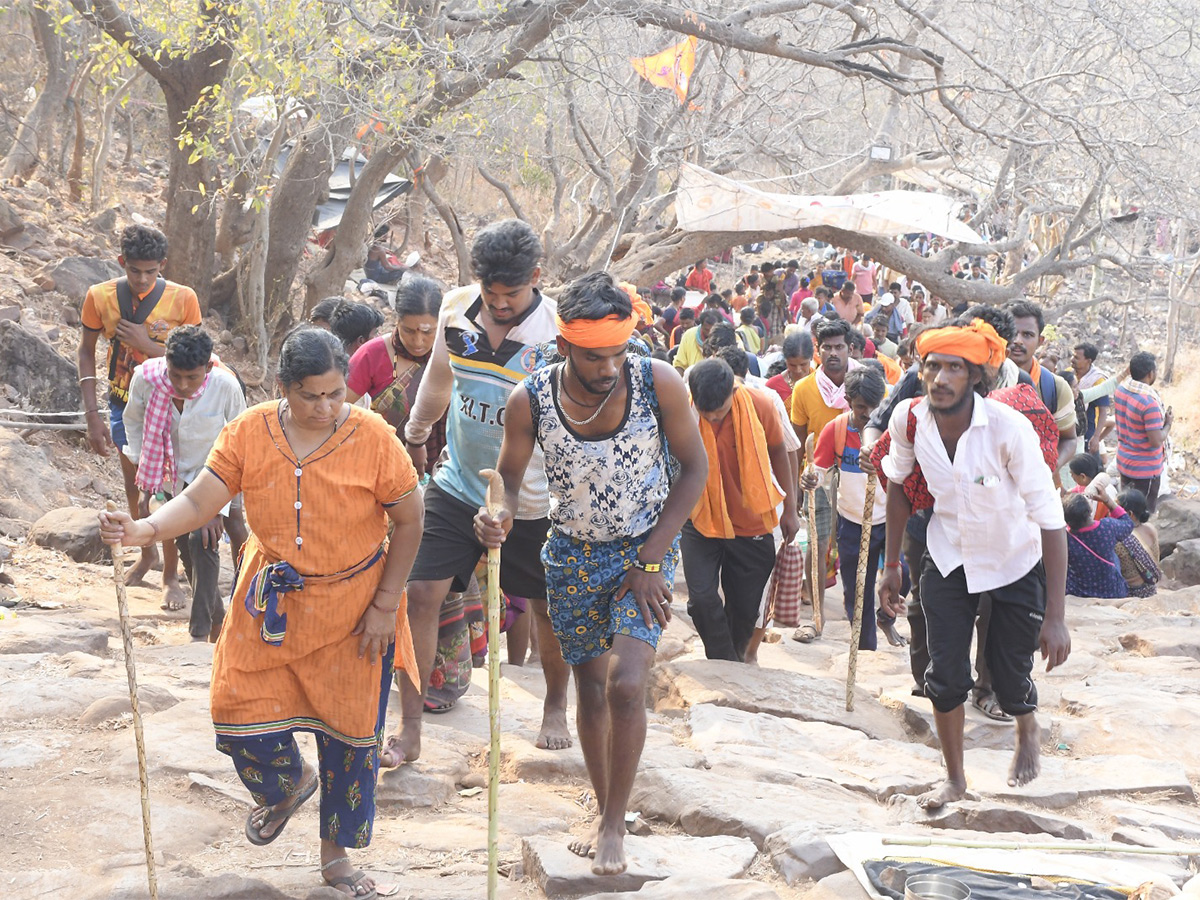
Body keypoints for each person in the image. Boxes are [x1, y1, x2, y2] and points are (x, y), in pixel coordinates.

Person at [99, 326, 424, 898]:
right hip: (270, 601)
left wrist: (385, 604)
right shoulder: (249, 431)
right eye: (310, 395)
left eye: (335, 394)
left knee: (349, 735)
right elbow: (202, 499)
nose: (325, 407)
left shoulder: (373, 436)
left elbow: (410, 519)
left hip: (355, 609)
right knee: (234, 704)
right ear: (282, 387)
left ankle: (336, 858)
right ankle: (285, 785)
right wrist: (144, 529)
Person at [475, 272, 707, 877]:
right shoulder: (530, 400)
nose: (608, 368)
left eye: (617, 353)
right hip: (572, 554)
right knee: (590, 688)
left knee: (628, 683)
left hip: (644, 552)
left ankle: (613, 824)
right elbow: (506, 484)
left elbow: (693, 470)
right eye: (593, 356)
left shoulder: (659, 382)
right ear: (563, 346)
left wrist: (653, 559)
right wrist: (493, 519)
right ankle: (605, 807)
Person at [397, 219, 570, 765]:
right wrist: (418, 433)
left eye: (510, 294)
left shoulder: (558, 332)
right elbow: (439, 380)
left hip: (536, 497)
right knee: (419, 592)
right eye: (489, 293)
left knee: (546, 607)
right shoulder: (455, 311)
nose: (497, 304)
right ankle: (409, 727)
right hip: (458, 482)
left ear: (536, 278)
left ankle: (555, 706)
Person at [878, 320, 1070, 810]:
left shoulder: (1010, 431)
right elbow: (898, 487)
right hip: (947, 557)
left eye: (954, 369)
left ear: (976, 378)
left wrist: (1056, 617)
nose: (940, 378)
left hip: (1015, 558)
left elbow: (1050, 520)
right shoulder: (908, 419)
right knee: (945, 676)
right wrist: (893, 563)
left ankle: (1027, 724)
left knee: (1008, 677)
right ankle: (955, 779)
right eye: (932, 367)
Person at [77, 223, 202, 607]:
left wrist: (148, 345)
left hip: (170, 402)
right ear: (122, 263)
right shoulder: (100, 297)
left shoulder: (183, 299)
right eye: (135, 270)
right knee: (135, 483)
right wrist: (92, 414)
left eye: (151, 270)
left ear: (162, 265)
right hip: (121, 401)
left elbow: (198, 358)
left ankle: (170, 574)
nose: (143, 278)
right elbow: (86, 350)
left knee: (165, 487)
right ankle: (146, 550)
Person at [122, 326, 247, 640]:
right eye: (175, 376)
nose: (182, 385)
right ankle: (217, 615)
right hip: (168, 472)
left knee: (205, 539)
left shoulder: (226, 386)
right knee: (184, 542)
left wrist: (216, 506)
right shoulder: (146, 379)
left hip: (219, 474)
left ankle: (203, 629)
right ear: (166, 362)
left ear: (207, 368)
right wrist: (145, 480)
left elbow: (241, 442)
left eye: (192, 378)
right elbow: (133, 421)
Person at [683, 358, 799, 660]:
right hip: (699, 516)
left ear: (733, 394)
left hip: (752, 521)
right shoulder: (683, 408)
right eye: (705, 415)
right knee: (701, 598)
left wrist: (790, 509)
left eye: (718, 413)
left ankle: (730, 662)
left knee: (746, 609)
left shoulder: (761, 405)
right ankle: (726, 662)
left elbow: (779, 451)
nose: (711, 421)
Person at [801, 366, 903, 649]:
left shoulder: (894, 430)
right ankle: (865, 648)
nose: (869, 416)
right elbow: (818, 471)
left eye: (875, 408)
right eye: (861, 409)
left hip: (890, 521)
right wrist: (810, 478)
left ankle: (887, 617)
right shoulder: (836, 430)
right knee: (856, 594)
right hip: (852, 523)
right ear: (847, 400)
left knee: (902, 578)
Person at [790, 318, 856, 636]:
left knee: (856, 547)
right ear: (817, 350)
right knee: (816, 545)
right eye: (826, 347)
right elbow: (798, 441)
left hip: (859, 476)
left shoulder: (866, 383)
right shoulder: (803, 389)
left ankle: (860, 617)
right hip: (818, 477)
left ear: (850, 349)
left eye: (839, 347)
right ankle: (816, 616)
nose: (832, 353)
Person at [345, 276, 444, 472]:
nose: (418, 341)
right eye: (409, 331)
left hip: (445, 474)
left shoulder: (452, 356)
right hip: (383, 466)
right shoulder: (373, 355)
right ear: (396, 320)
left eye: (428, 332)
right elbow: (336, 407)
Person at [1005, 301, 1078, 477]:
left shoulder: (1054, 387)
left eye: (1027, 335)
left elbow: (1069, 439)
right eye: (1013, 333)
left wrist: (1048, 470)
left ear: (1040, 341)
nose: (1017, 341)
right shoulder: (980, 380)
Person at [1113, 351, 1171, 514]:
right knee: (1143, 514)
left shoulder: (1121, 390)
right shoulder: (1148, 402)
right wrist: (1168, 424)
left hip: (1125, 462)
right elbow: (1156, 440)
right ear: (1150, 373)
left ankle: (1126, 538)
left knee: (1126, 510)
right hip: (1145, 469)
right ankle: (1142, 539)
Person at [1064, 486, 1133, 600]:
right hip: (1112, 591)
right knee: (1113, 555)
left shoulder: (1065, 537)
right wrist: (1107, 500)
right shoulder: (1107, 527)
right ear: (1090, 510)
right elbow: (1128, 523)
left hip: (1079, 593)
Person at [1115, 488, 1161, 598]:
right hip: (1151, 588)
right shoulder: (1151, 529)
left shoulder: (1121, 538)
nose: (1110, 511)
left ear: (1129, 514)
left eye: (1115, 509)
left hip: (1131, 593)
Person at [1071, 342, 1113, 454]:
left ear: (1088, 361)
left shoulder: (1097, 380)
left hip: (1087, 431)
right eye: (1072, 356)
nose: (1072, 359)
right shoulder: (1068, 374)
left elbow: (1103, 411)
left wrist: (1096, 437)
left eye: (1076, 357)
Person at [766, 331, 812, 406]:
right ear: (785, 360)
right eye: (792, 365)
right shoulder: (772, 386)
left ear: (811, 358)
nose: (798, 370)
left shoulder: (821, 383)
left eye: (803, 364)